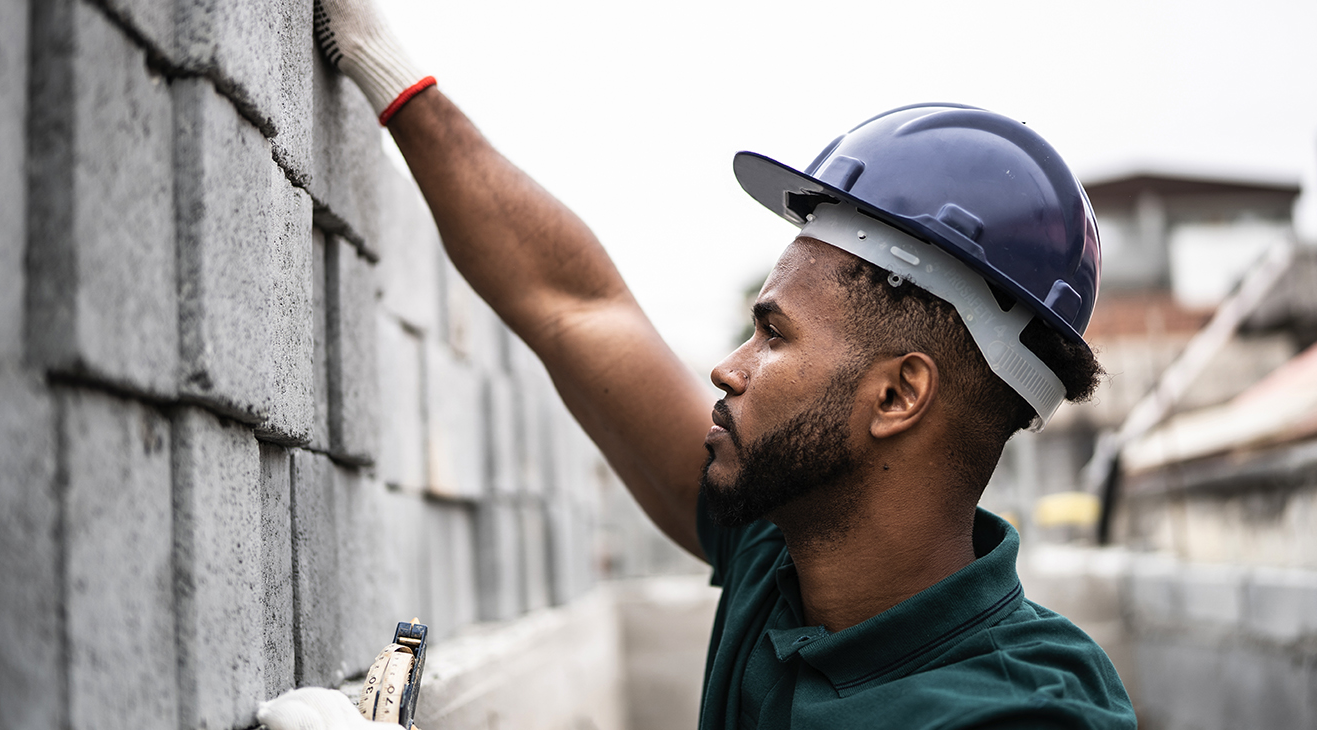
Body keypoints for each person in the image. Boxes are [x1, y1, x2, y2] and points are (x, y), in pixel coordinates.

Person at [260, 1, 1137, 728]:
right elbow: (576, 306)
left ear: (899, 393)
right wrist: (390, 73)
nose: (727, 368)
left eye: (775, 335)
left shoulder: (1019, 716)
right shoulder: (786, 551)